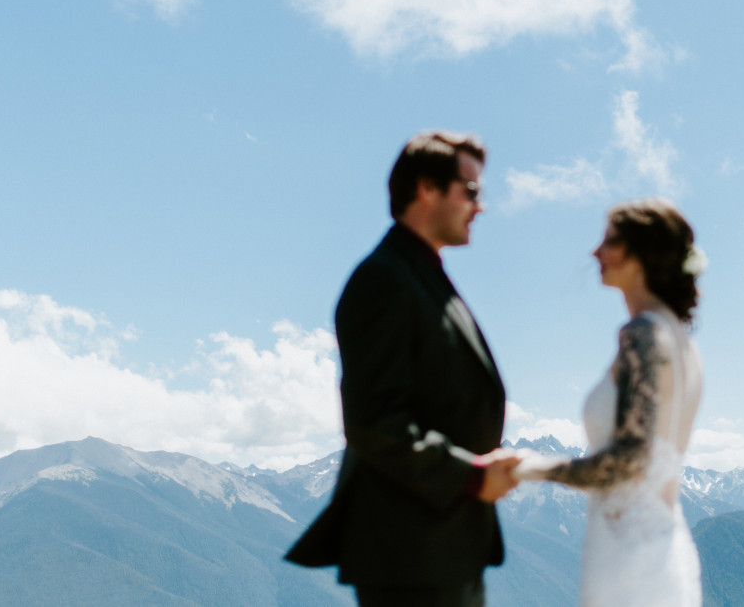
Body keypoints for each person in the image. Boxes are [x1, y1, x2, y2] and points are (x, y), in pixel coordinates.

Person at [286, 130, 520, 607]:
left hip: (440, 547)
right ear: (427, 188)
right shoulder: (384, 280)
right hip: (411, 555)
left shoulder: (420, 274)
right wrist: (473, 476)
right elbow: (375, 423)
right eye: (471, 191)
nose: (481, 206)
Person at [514, 198, 705, 607]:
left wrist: (533, 467)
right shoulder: (686, 346)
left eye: (610, 241)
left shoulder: (642, 334)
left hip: (626, 561)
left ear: (642, 255)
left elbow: (630, 459)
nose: (595, 252)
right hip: (665, 548)